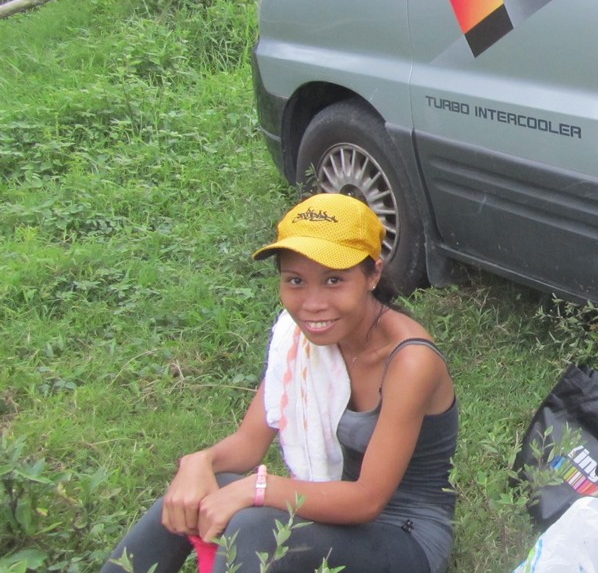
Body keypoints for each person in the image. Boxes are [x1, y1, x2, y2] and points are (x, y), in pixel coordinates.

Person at [102, 193, 458, 573]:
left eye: (334, 280)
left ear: (372, 275)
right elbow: (248, 443)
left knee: (255, 528)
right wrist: (199, 462)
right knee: (199, 489)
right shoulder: (300, 341)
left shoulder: (410, 361)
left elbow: (367, 500)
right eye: (295, 281)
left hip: (404, 536)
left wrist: (258, 490)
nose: (312, 303)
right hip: (335, 515)